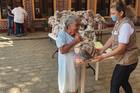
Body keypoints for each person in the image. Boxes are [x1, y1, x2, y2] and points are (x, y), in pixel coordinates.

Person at [95, 0, 138, 93]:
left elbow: (121, 49)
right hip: (125, 59)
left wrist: (103, 56)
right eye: (111, 13)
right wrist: (102, 49)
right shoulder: (119, 22)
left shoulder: (125, 25)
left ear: (121, 13)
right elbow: (112, 38)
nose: (111, 15)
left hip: (128, 60)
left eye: (114, 13)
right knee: (123, 81)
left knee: (114, 84)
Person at [55, 15, 81, 93]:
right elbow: (62, 50)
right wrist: (75, 41)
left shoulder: (76, 34)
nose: (78, 27)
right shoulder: (61, 34)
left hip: (75, 65)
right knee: (65, 86)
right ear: (69, 25)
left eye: (79, 25)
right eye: (76, 25)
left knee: (74, 86)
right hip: (66, 67)